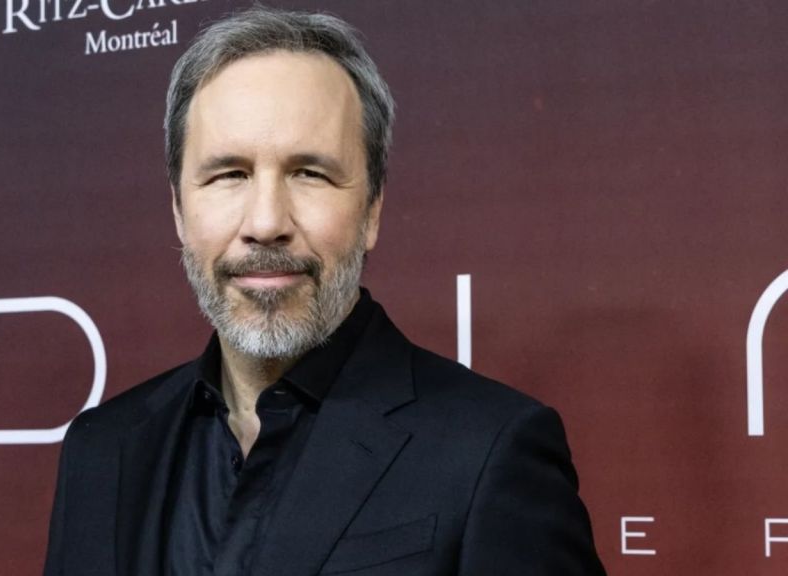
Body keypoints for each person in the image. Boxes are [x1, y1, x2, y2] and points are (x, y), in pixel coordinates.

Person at [44, 6, 606, 576]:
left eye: (309, 173)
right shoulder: (100, 450)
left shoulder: (490, 450)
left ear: (372, 209)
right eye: (229, 174)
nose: (266, 222)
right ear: (178, 210)